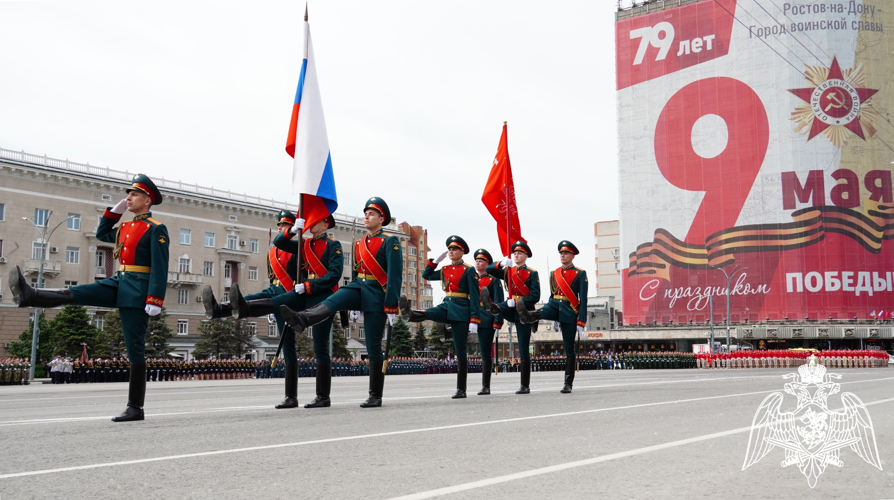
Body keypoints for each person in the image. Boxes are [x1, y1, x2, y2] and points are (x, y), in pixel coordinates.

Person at [9, 174, 169, 422]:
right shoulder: (125, 227)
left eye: (134, 194)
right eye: (128, 194)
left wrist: (155, 299)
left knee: (134, 350)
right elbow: (102, 233)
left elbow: (160, 266)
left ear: (147, 200)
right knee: (78, 292)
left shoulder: (156, 229)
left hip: (138, 291)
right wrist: (114, 212)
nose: (128, 197)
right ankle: (31, 296)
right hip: (120, 281)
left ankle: (135, 408)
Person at [281, 197, 402, 408]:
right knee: (334, 298)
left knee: (373, 347)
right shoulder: (359, 243)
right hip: (359, 287)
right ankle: (303, 318)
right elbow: (356, 272)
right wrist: (353, 306)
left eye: (371, 213)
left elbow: (394, 275)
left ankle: (375, 394)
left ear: (382, 219)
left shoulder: (389, 241)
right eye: (365, 213)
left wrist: (391, 305)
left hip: (377, 294)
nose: (366, 216)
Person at [230, 213, 344, 409]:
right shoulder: (305, 245)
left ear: (326, 224)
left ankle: (323, 396)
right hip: (305, 294)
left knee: (320, 346)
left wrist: (308, 286)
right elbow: (279, 243)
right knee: (287, 343)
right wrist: (291, 231)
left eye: (315, 221)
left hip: (323, 296)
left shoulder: (333, 245)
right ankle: (291, 397)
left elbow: (335, 275)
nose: (311, 224)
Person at [400, 235, 480, 399]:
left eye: (454, 249)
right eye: (449, 249)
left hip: (462, 308)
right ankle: (411, 314)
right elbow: (426, 275)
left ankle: (461, 389)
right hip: (447, 304)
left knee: (460, 351)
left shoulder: (469, 269)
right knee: (432, 312)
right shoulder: (445, 269)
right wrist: (434, 261)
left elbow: (475, 296)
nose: (451, 252)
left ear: (462, 251)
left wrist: (474, 319)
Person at [517, 240, 588, 393]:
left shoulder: (580, 273)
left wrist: (581, 321)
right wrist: (553, 318)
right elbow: (552, 295)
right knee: (543, 310)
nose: (562, 255)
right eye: (561, 253)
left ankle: (568, 383)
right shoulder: (554, 273)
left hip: (569, 310)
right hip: (554, 305)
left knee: (569, 349)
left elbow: (583, 298)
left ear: (572, 255)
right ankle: (531, 315)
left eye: (566, 253)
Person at [480, 240, 540, 394]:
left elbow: (535, 296)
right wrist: (500, 264)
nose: (516, 255)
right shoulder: (508, 271)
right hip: (509, 307)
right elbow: (488, 269)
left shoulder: (532, 273)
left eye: (519, 253)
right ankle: (493, 307)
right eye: (514, 253)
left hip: (524, 311)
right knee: (501, 305)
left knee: (523, 347)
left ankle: (524, 385)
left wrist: (519, 301)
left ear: (526, 256)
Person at [470, 249, 503, 395]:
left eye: (481, 261)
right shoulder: (470, 278)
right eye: (476, 260)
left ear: (487, 264)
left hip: (486, 316)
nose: (478, 263)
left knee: (485, 353)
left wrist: (497, 322)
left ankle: (485, 385)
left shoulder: (493, 280)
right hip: (470, 314)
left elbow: (499, 302)